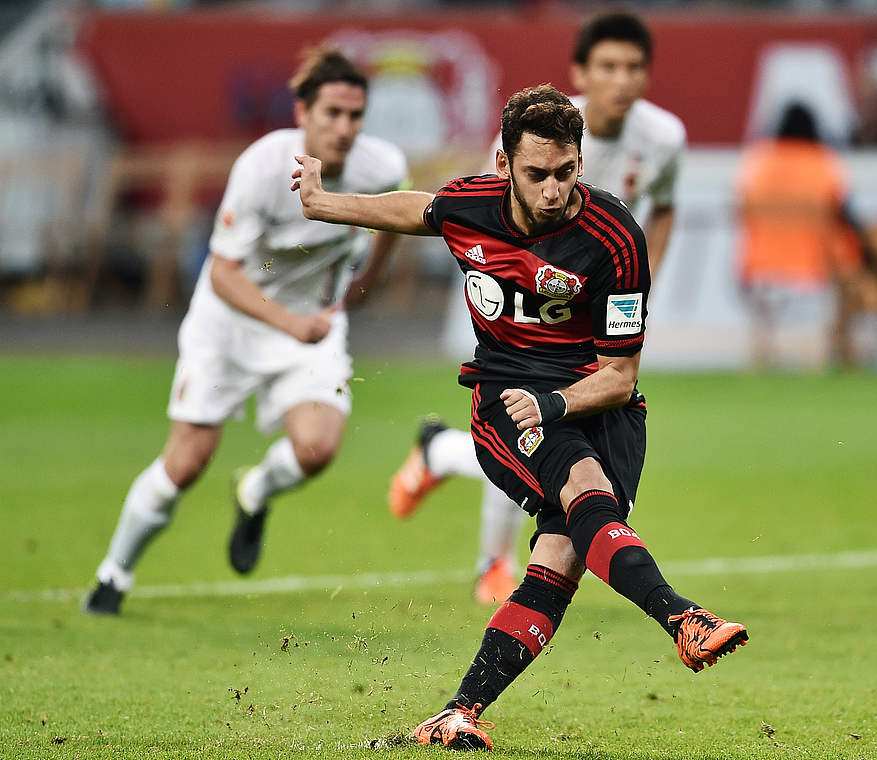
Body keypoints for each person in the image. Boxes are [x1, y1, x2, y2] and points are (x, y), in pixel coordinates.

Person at [292, 84, 747, 750]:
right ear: (504, 166)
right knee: (587, 495)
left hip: (595, 402)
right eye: (537, 174)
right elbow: (417, 209)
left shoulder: (615, 238)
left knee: (562, 560)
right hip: (507, 396)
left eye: (566, 173)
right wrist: (323, 202)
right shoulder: (473, 205)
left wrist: (559, 402)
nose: (553, 189)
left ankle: (456, 712)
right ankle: (682, 617)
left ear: (580, 164)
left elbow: (621, 377)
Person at [81, 47, 409, 615]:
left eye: (355, 116)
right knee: (185, 463)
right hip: (231, 323)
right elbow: (224, 272)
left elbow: (393, 218)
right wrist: (289, 323)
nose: (344, 127)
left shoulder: (381, 166)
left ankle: (255, 490)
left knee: (316, 447)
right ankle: (114, 573)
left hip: (313, 322)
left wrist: (368, 281)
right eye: (331, 113)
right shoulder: (262, 166)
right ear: (302, 112)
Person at [391, 10, 688, 604]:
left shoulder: (664, 138)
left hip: (591, 305)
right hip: (524, 303)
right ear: (581, 71)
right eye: (607, 66)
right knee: (527, 425)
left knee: (555, 442)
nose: (621, 80)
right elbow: (489, 225)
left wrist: (633, 289)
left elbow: (664, 204)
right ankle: (491, 562)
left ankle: (439, 452)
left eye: (633, 67)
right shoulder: (540, 136)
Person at [735, 102, 864, 368]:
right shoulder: (824, 164)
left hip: (761, 272)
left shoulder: (758, 161)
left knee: (763, 353)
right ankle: (843, 348)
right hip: (811, 274)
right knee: (811, 358)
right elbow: (839, 216)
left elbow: (741, 211)